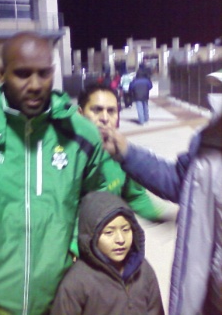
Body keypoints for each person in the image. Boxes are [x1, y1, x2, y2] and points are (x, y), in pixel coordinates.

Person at [0, 31, 110, 314]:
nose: (35, 85)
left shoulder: (81, 135)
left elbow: (97, 202)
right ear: (1, 73)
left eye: (43, 74)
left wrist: (78, 251)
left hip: (60, 301)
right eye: (22, 74)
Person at [104, 73, 222, 314]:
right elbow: (181, 182)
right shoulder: (209, 140)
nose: (214, 97)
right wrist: (127, 153)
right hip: (210, 295)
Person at [77, 83, 175, 229]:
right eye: (97, 110)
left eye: (111, 111)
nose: (104, 118)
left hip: (108, 242)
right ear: (80, 113)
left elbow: (135, 195)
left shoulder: (121, 156)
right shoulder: (65, 155)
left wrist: (164, 217)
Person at [51, 191, 164, 315]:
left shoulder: (144, 270)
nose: (120, 239)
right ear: (92, 236)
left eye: (126, 230)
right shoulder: (77, 282)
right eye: (109, 232)